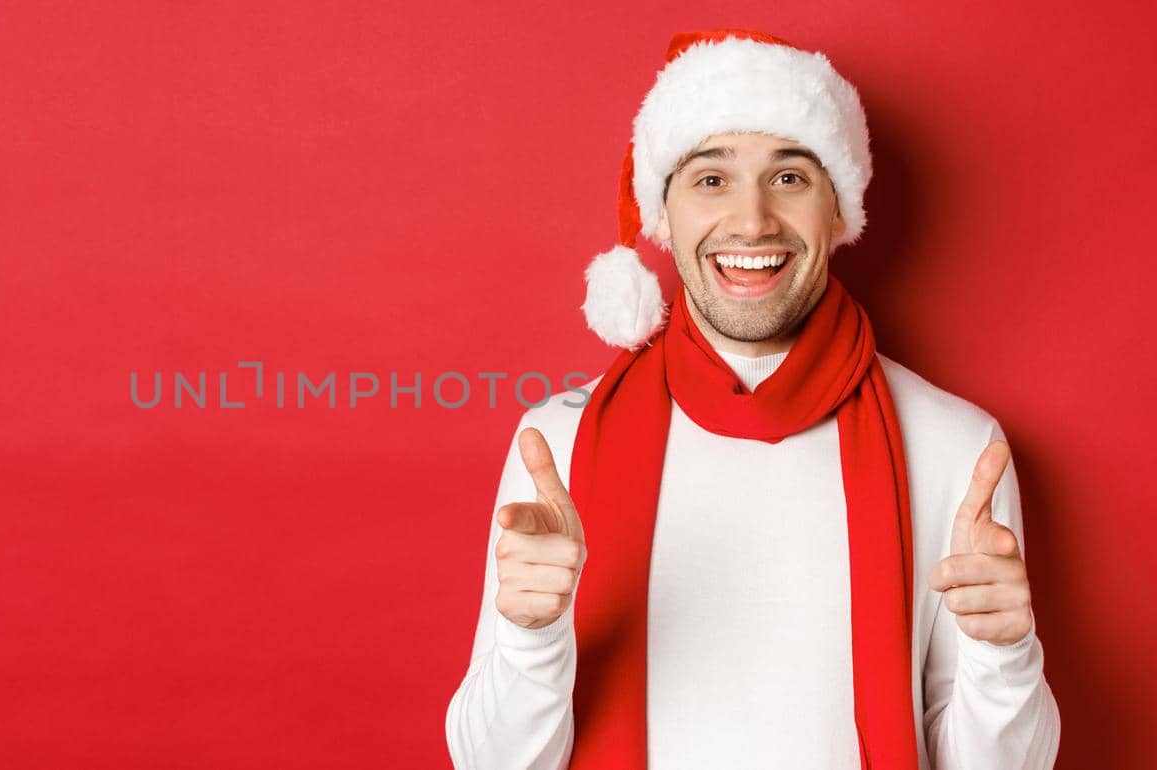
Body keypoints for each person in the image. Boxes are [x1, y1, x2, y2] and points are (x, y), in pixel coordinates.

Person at [444, 29, 1060, 770]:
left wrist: (1004, 657)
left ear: (840, 211)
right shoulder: (557, 447)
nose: (752, 221)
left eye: (790, 177)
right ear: (661, 219)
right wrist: (530, 636)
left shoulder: (957, 446)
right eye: (711, 180)